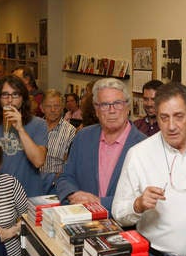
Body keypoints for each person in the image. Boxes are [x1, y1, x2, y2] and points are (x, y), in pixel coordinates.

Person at [113, 82, 186, 256]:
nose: (171, 126)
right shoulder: (138, 154)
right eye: (164, 118)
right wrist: (139, 205)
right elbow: (118, 212)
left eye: (179, 116)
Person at [55, 78, 146, 212]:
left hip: (125, 228)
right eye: (104, 105)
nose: (112, 110)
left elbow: (142, 198)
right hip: (82, 218)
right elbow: (65, 176)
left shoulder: (143, 146)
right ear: (96, 110)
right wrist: (72, 194)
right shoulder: (82, 137)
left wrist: (100, 203)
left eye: (118, 103)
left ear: (127, 108)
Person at [0, 75, 48, 197]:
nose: (10, 100)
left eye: (15, 95)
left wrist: (20, 129)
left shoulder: (38, 124)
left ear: (23, 98)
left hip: (30, 195)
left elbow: (38, 161)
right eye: (5, 95)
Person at [39, 89, 76, 194]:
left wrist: (54, 181)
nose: (53, 110)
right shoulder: (35, 126)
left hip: (55, 184)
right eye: (48, 106)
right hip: (33, 180)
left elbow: (70, 164)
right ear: (42, 108)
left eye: (57, 106)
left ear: (62, 108)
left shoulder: (70, 131)